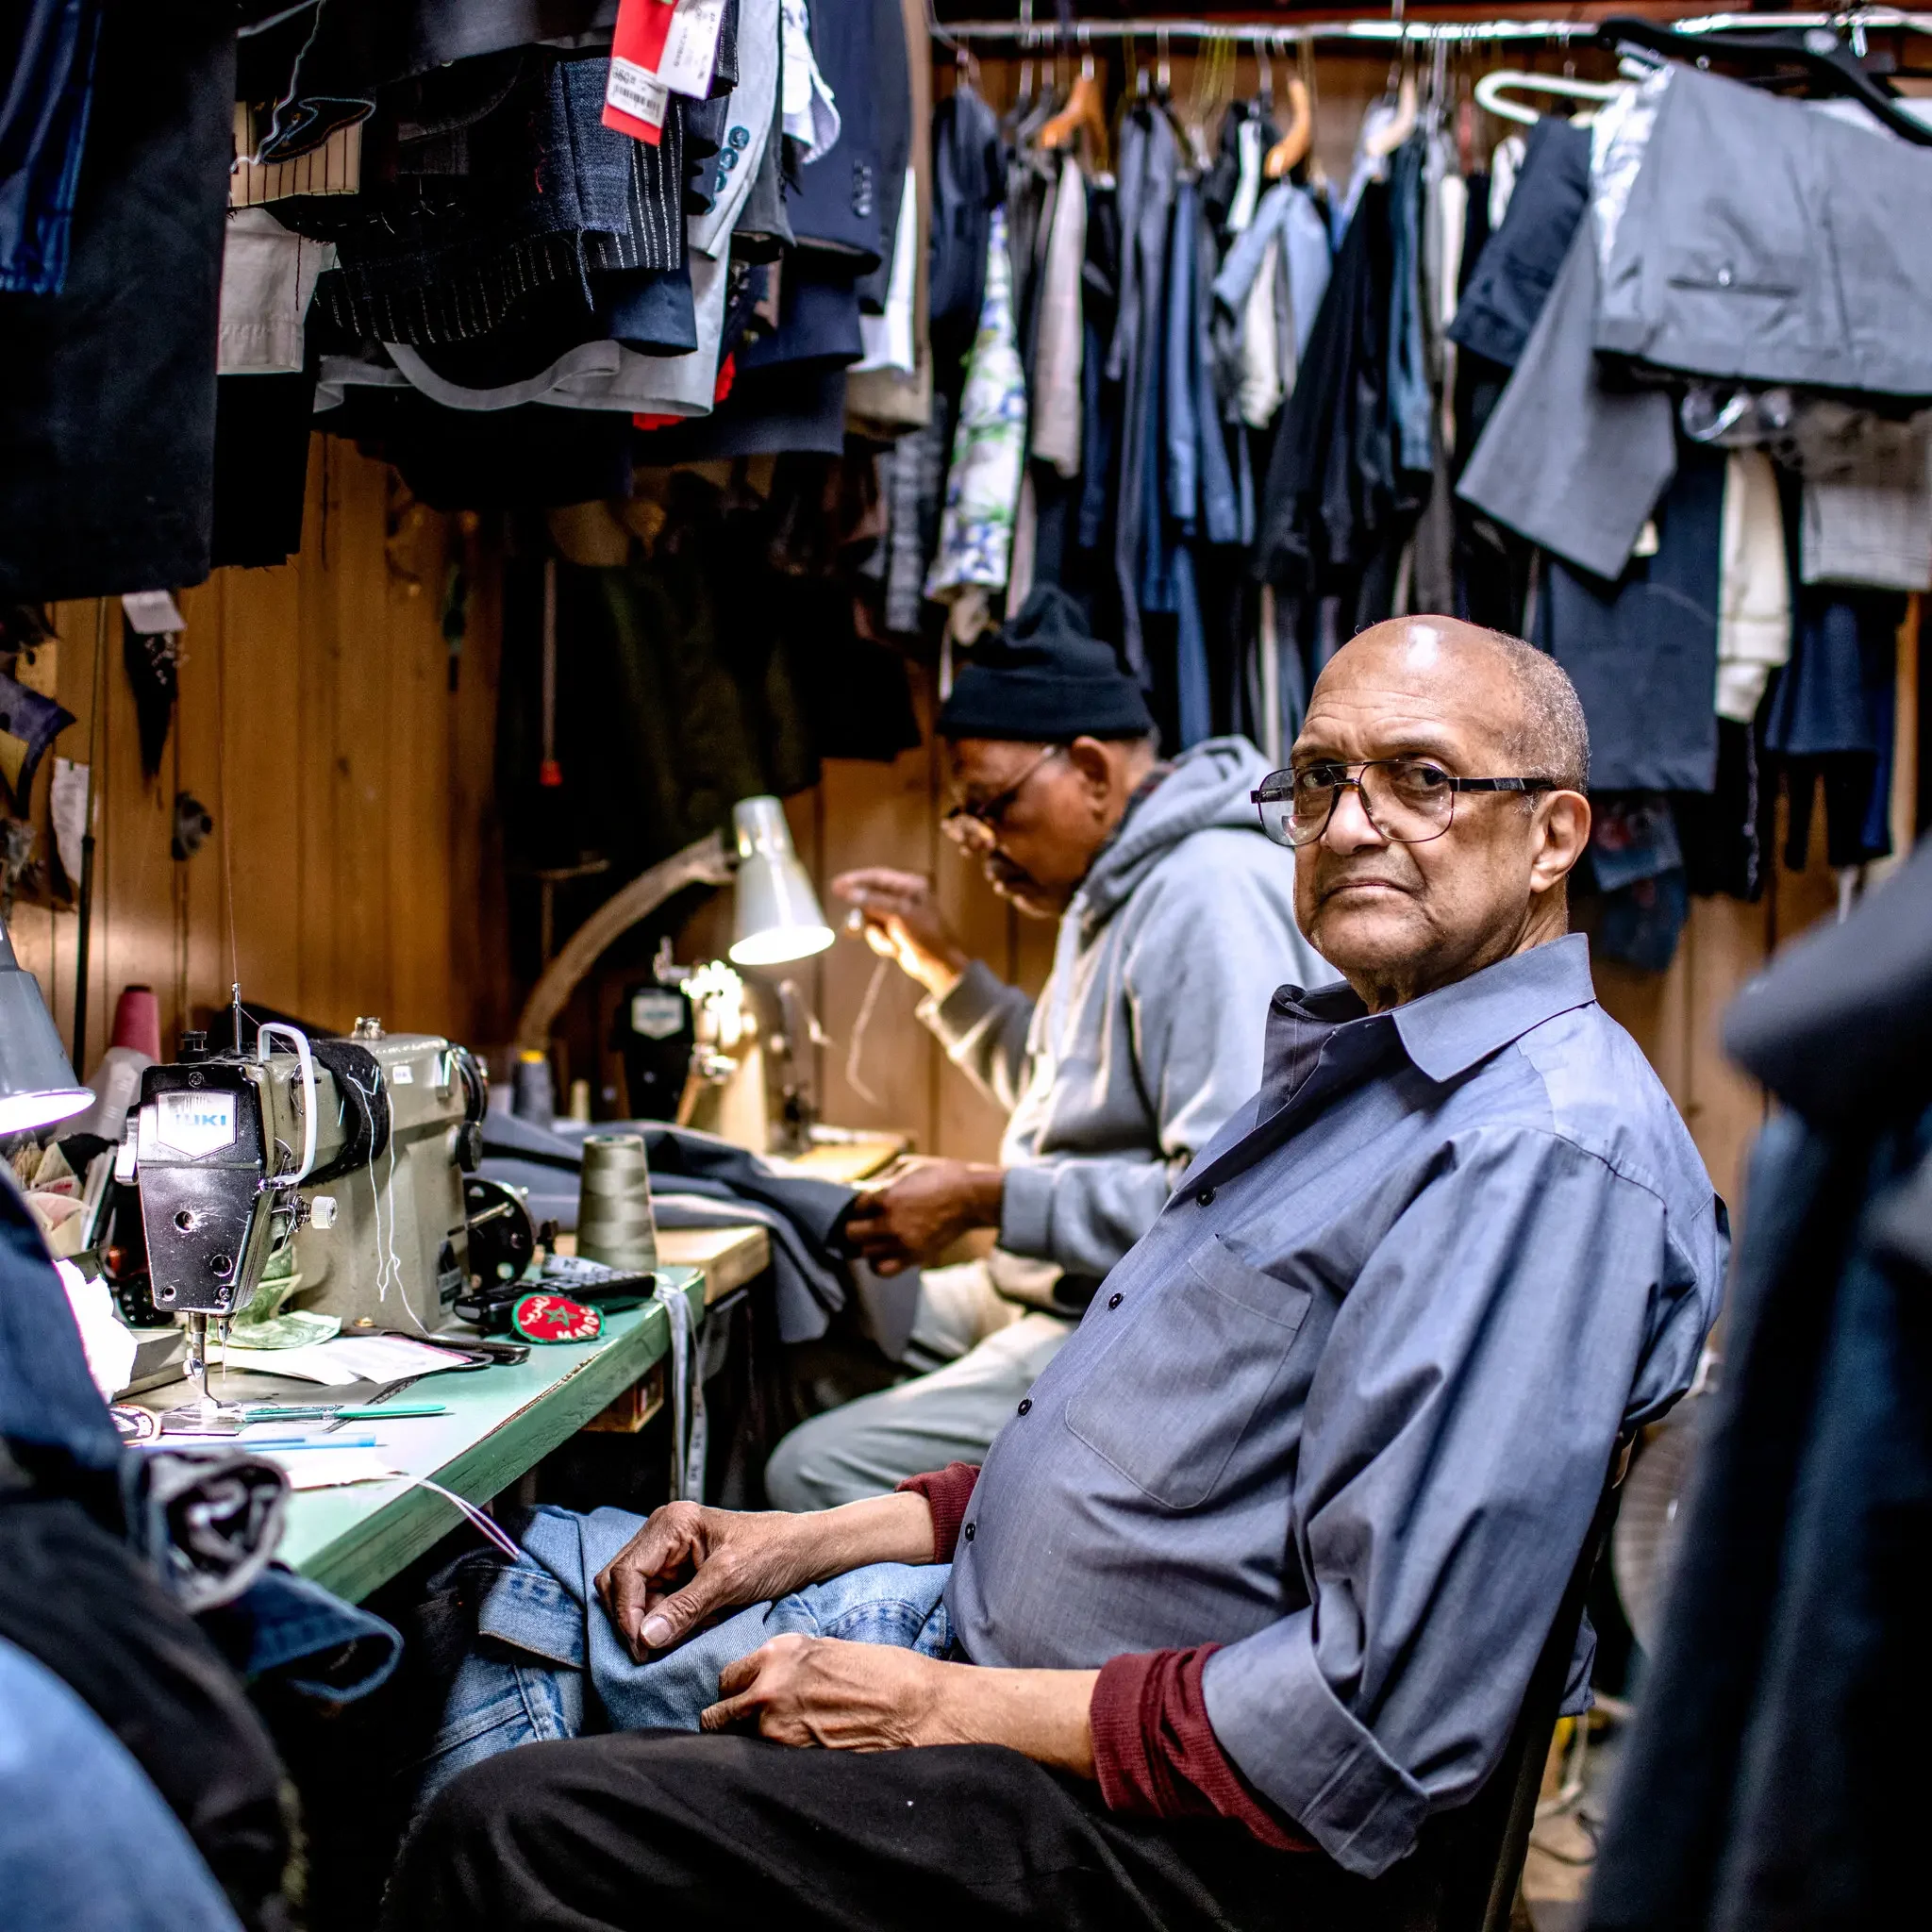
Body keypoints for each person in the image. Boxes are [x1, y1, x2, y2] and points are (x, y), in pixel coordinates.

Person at [385, 618, 1727, 1932]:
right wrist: (804, 1537)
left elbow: (1365, 1721)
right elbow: (1168, 1465)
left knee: (512, 1822)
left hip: (1178, 1841)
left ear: (1554, 835)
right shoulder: (1375, 1072)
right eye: (1322, 778)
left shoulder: (1533, 1152)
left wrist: (928, 1708)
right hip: (1033, 1670)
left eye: (1422, 780)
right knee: (518, 1594)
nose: (1353, 822)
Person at [765, 586, 1325, 1508]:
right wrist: (943, 970)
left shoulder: (1203, 894)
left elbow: (1224, 1204)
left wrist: (985, 1196)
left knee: (809, 1468)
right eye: (966, 819)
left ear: (1092, 770)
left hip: (1133, 1319)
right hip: (1053, 1285)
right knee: (800, 1331)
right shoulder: (1114, 886)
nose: (983, 845)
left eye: (993, 807)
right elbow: (1070, 1090)